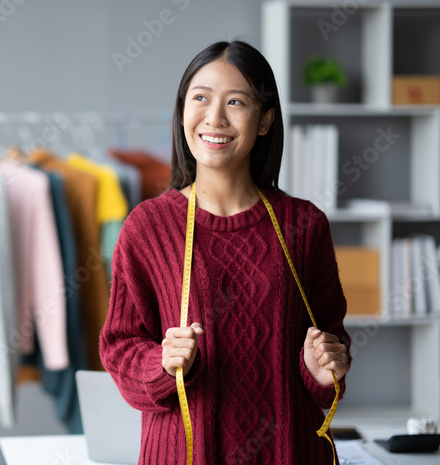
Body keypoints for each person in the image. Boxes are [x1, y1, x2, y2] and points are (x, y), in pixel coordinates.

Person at [99, 40, 351, 464]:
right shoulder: (148, 228)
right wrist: (161, 362)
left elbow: (332, 346)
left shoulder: (305, 226)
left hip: (290, 453)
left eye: (236, 102)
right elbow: (120, 348)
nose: (214, 118)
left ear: (265, 119)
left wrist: (322, 371)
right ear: (182, 112)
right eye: (200, 98)